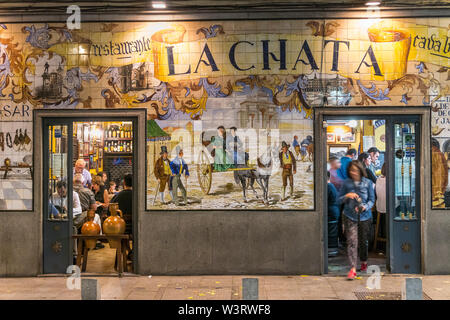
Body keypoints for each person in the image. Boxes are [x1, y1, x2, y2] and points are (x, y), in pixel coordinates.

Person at [338, 160, 375, 280]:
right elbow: (338, 200)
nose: (353, 172)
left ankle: (364, 261)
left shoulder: (368, 183)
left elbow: (372, 200)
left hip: (365, 216)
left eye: (355, 170)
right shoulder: (346, 183)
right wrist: (346, 196)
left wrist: (365, 206)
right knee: (352, 242)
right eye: (351, 170)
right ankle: (353, 268)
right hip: (349, 215)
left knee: (363, 241)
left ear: (360, 170)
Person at [375, 163, 387, 252]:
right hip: (388, 209)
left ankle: (380, 244)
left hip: (379, 207)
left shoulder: (378, 179)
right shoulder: (390, 180)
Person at [327, 171, 340, 256]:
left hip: (331, 212)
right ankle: (333, 250)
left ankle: (331, 250)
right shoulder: (331, 186)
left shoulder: (328, 186)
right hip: (335, 211)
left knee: (331, 231)